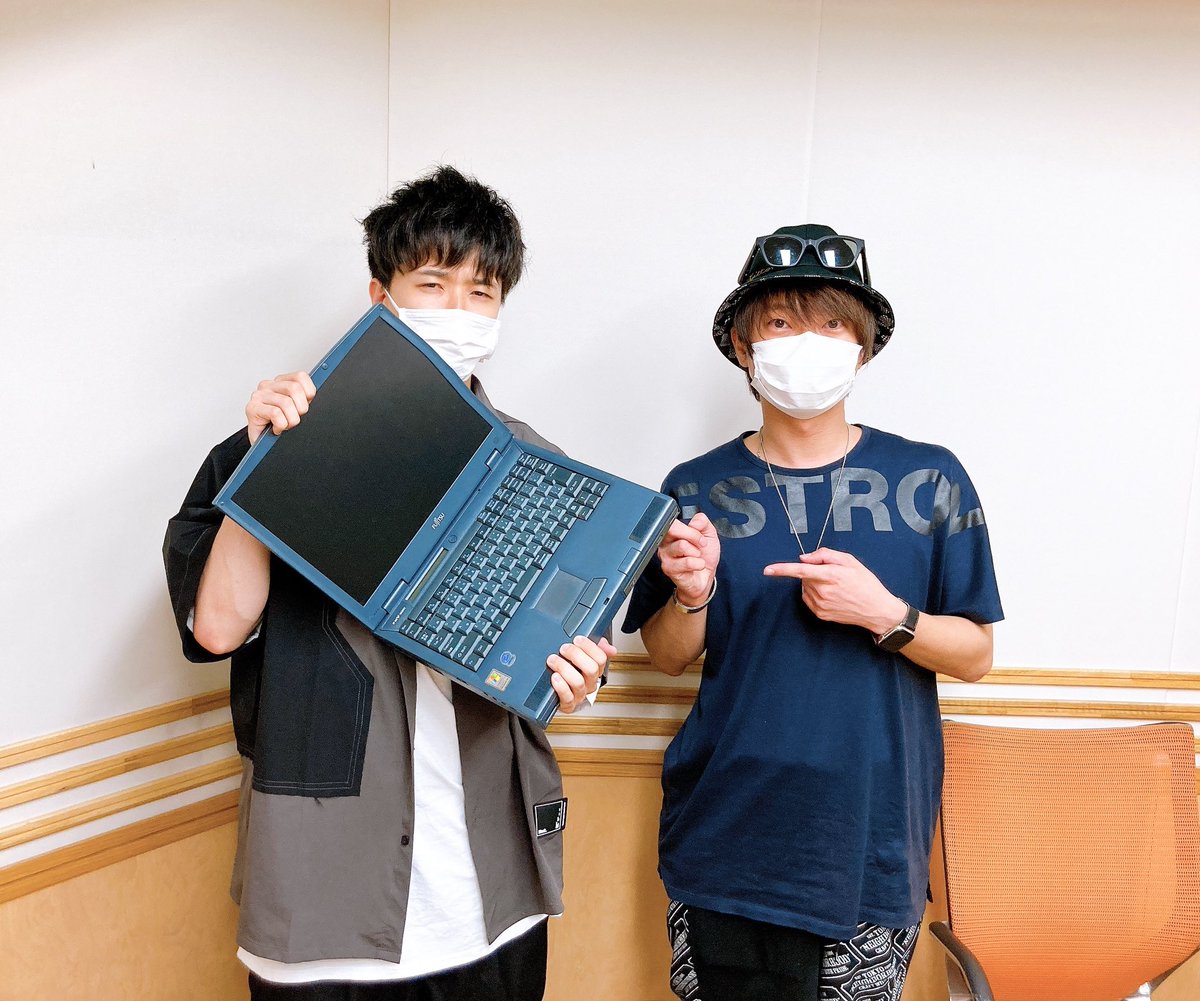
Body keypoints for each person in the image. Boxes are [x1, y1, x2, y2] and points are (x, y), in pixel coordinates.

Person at [164, 165, 614, 1001]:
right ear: (381, 296)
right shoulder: (260, 447)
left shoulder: (534, 466)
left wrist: (579, 678)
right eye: (432, 284)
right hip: (322, 898)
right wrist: (271, 465)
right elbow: (218, 627)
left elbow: (570, 648)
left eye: (481, 292)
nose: (457, 310)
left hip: (491, 890)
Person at [622, 225, 1003, 1001]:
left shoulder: (931, 478)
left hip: (869, 845)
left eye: (833, 323)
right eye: (781, 322)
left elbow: (974, 653)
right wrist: (695, 595)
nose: (808, 342)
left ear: (863, 348)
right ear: (742, 345)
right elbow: (665, 653)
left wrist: (886, 613)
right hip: (724, 841)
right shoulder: (694, 485)